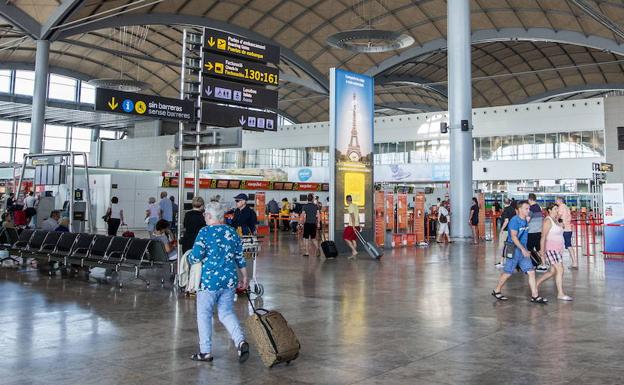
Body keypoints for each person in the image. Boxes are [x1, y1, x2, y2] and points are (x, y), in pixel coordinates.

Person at [187, 202, 250, 363]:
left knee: (204, 315)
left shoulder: (205, 232)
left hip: (209, 282)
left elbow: (196, 256)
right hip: (229, 281)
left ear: (209, 216)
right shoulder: (232, 232)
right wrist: (245, 277)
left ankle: (205, 351)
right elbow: (240, 258)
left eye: (205, 215)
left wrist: (188, 258)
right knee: (226, 313)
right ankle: (240, 341)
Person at [491, 200, 547, 303]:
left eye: (528, 208)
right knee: (508, 272)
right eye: (526, 209)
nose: (528, 210)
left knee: (531, 271)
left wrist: (525, 250)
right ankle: (497, 290)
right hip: (515, 251)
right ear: (520, 209)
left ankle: (535, 295)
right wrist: (523, 249)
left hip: (523, 251)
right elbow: (513, 237)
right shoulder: (514, 221)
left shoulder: (525, 220)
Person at [536, 203, 573, 301]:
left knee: (552, 271)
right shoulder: (548, 221)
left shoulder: (556, 220)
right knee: (560, 269)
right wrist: (542, 252)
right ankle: (560, 294)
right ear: (549, 210)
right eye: (555, 209)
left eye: (557, 208)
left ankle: (535, 284)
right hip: (551, 249)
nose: (557, 210)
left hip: (558, 249)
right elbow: (543, 237)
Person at [556, 196, 578, 269]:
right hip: (568, 229)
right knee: (569, 245)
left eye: (557, 200)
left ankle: (574, 263)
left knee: (566, 246)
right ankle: (574, 262)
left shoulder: (561, 207)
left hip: (564, 229)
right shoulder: (566, 207)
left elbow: (558, 217)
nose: (556, 201)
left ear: (560, 200)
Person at [527, 193, 548, 272]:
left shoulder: (531, 208)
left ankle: (529, 265)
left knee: (528, 249)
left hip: (531, 232)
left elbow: (527, 219)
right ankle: (544, 264)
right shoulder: (538, 207)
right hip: (539, 231)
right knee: (539, 249)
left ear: (530, 199)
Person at [496, 198, 516, 268]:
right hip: (512, 230)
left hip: (506, 231)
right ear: (510, 202)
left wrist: (501, 229)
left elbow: (506, 221)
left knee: (502, 246)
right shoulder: (513, 210)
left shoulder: (505, 210)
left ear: (503, 202)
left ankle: (502, 262)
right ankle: (509, 262)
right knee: (510, 246)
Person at [343, 195, 359, 259]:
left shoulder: (350, 207)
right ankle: (354, 255)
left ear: (347, 200)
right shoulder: (355, 205)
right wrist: (358, 225)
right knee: (353, 239)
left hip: (352, 225)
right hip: (357, 225)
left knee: (345, 237)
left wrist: (353, 226)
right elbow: (358, 216)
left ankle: (354, 251)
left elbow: (352, 216)